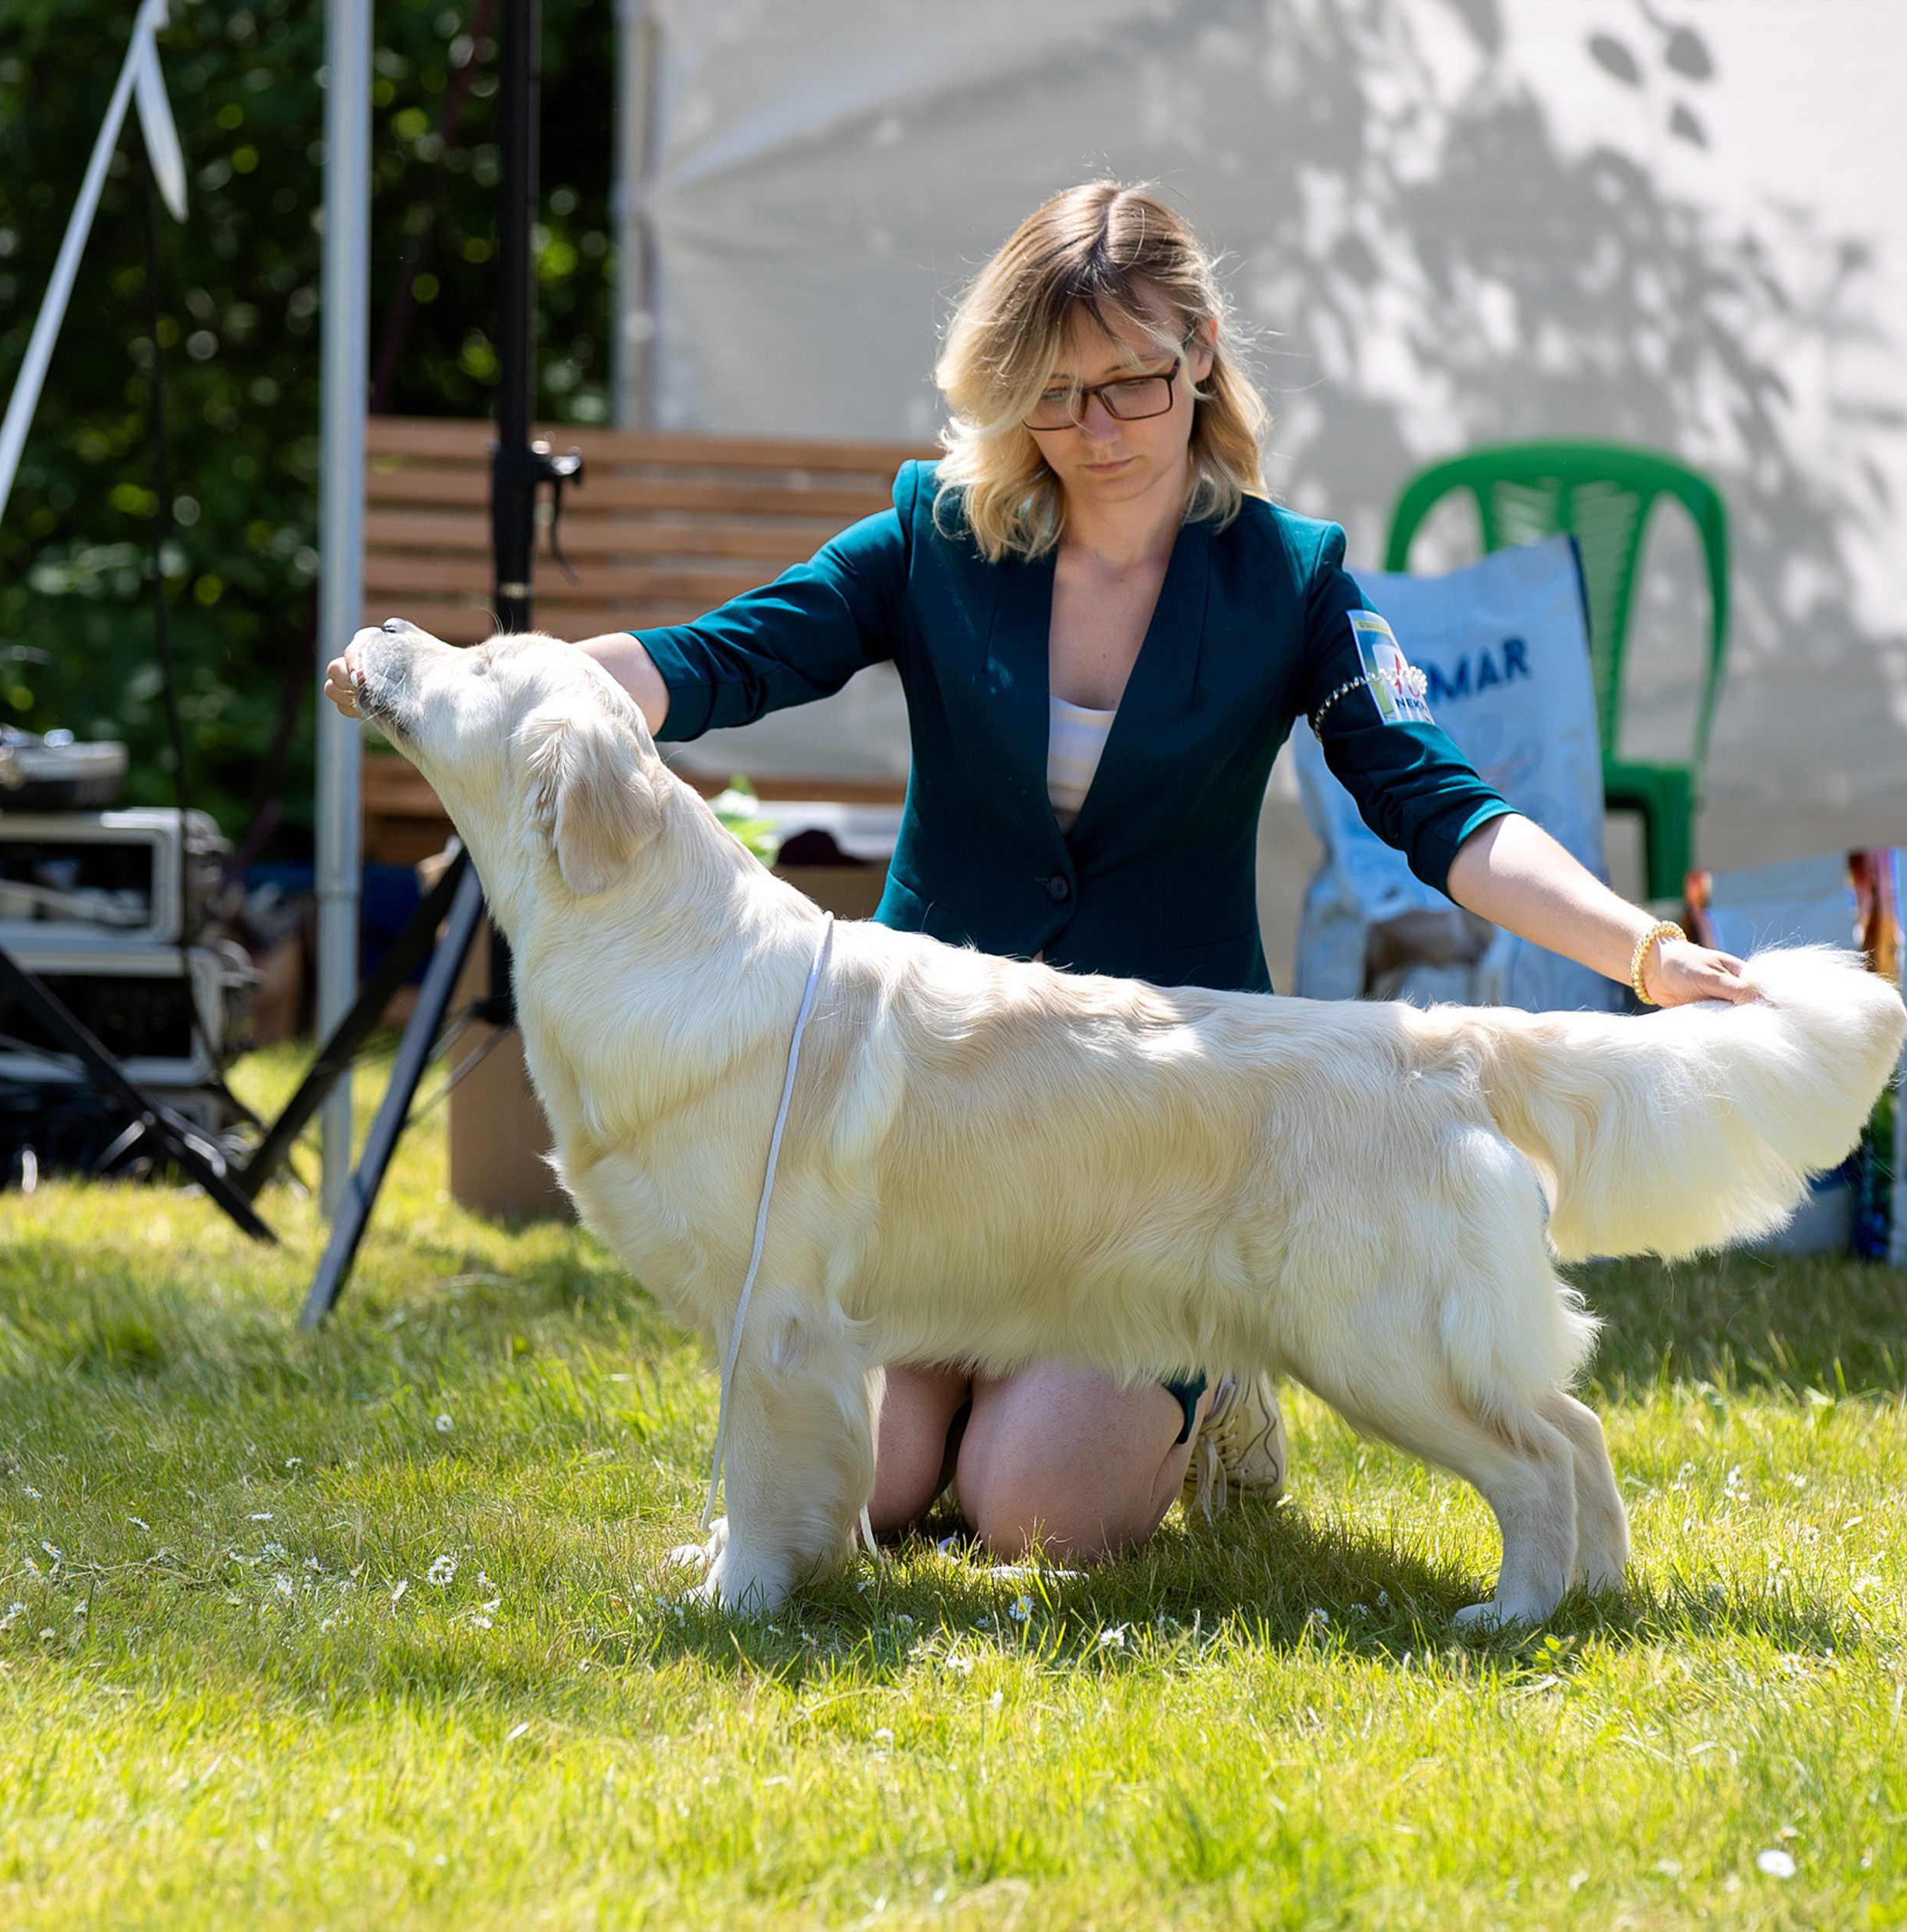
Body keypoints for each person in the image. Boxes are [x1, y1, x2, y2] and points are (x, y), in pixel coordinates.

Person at [331, 180, 1753, 1566]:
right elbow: (727, 655)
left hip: (1169, 1143)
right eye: (1054, 396)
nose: (1095, 430)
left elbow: (1443, 810)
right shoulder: (937, 536)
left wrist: (1644, 953)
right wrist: (537, 695)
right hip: (921, 1122)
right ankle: (983, 1407)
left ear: (1199, 354)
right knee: (874, 1488)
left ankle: (1226, 1365)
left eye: (1130, 384)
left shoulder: (1295, 581)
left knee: (1036, 1514)